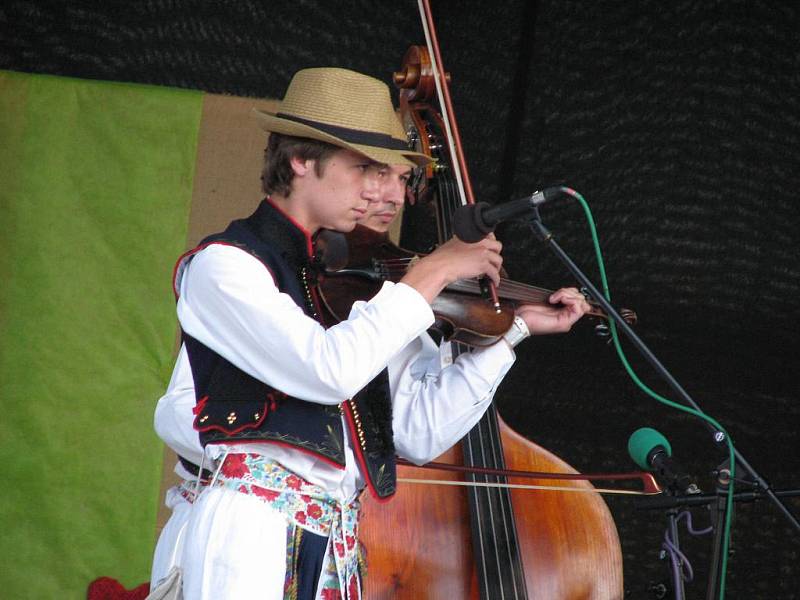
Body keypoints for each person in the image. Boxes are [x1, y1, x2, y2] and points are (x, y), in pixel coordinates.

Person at [151, 67, 590, 600]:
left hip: (335, 531)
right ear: (300, 159)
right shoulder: (226, 265)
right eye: (364, 168)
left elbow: (417, 432)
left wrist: (513, 328)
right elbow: (326, 369)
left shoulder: (359, 288)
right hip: (251, 528)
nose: (384, 192)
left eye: (394, 175)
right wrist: (431, 272)